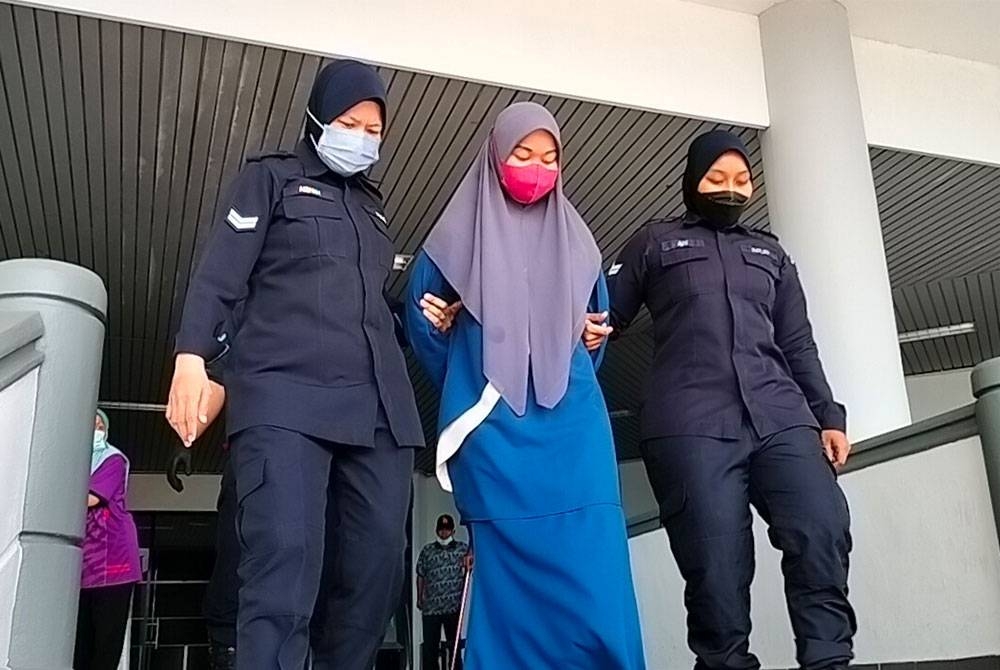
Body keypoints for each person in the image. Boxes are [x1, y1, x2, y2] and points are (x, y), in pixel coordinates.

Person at [166, 60, 426, 670]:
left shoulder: (374, 210)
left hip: (378, 411)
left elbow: (364, 304)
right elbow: (220, 273)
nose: (361, 138)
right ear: (317, 117)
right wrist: (192, 358)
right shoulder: (271, 179)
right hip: (284, 396)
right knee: (284, 562)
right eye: (348, 123)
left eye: (373, 130)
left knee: (376, 574)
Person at [406, 101, 646, 670]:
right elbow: (424, 330)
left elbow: (592, 339)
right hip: (496, 434)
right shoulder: (453, 239)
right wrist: (476, 365)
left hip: (575, 432)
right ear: (495, 156)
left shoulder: (579, 245)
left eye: (549, 158)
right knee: (510, 589)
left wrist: (584, 342)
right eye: (522, 154)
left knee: (596, 576)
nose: (537, 168)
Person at [608, 129, 856, 670]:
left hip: (780, 416)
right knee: (716, 567)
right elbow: (601, 320)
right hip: (690, 423)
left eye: (742, 179)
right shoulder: (655, 242)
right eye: (717, 178)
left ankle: (829, 660)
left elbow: (797, 342)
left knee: (821, 526)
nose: (730, 189)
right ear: (692, 181)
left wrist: (828, 416)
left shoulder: (770, 252)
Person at [75, 410, 142, 670]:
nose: (96, 430)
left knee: (105, 644)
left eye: (100, 426)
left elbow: (90, 498)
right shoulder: (75, 464)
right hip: (86, 567)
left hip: (114, 564)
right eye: (91, 424)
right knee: (81, 645)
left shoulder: (112, 459)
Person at [416, 514, 471, 670]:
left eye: (447, 529)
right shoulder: (427, 551)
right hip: (431, 608)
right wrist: (419, 597)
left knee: (454, 649)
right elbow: (421, 575)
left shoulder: (462, 550)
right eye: (441, 529)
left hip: (453, 607)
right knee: (430, 650)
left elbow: (471, 566)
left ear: (453, 531)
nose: (444, 532)